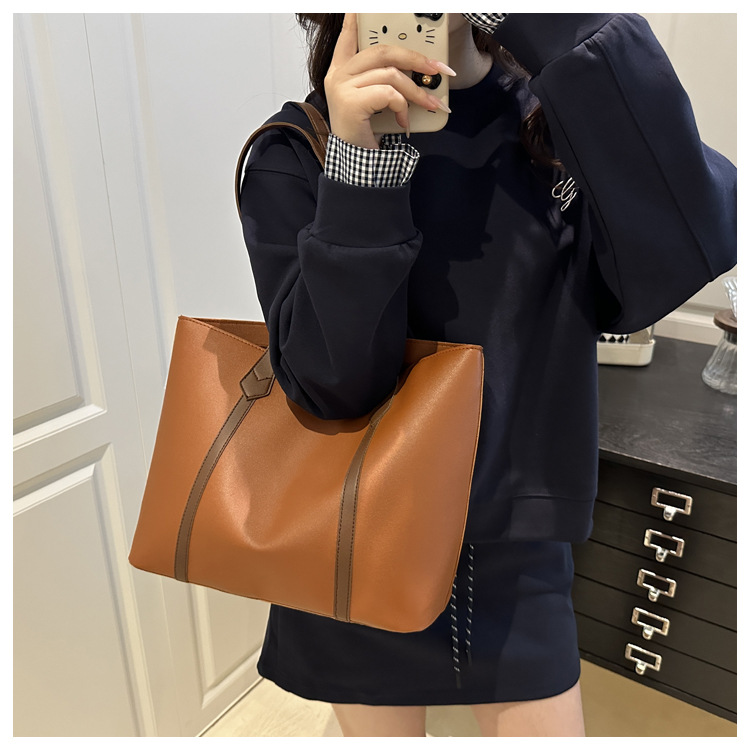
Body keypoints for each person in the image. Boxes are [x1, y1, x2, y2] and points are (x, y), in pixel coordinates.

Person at [238, 13, 736, 737]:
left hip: (518, 550)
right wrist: (360, 169)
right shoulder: (298, 151)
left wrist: (556, 27)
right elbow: (332, 386)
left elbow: (692, 243)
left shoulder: (558, 124)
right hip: (357, 536)